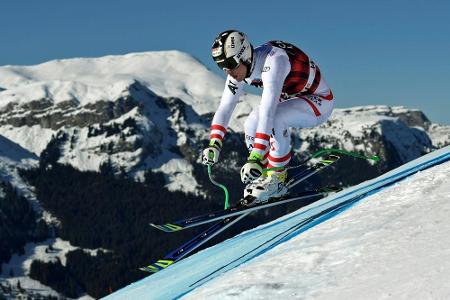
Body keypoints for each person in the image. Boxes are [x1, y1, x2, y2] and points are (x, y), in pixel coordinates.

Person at [202, 30, 334, 206]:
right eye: (222, 67)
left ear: (245, 56)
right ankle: (264, 175)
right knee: (250, 124)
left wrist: (255, 157)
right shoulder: (240, 68)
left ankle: (277, 178)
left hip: (318, 101)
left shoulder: (274, 60)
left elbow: (268, 111)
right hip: (294, 98)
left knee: (276, 118)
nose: (229, 73)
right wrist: (214, 143)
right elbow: (225, 107)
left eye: (231, 65)